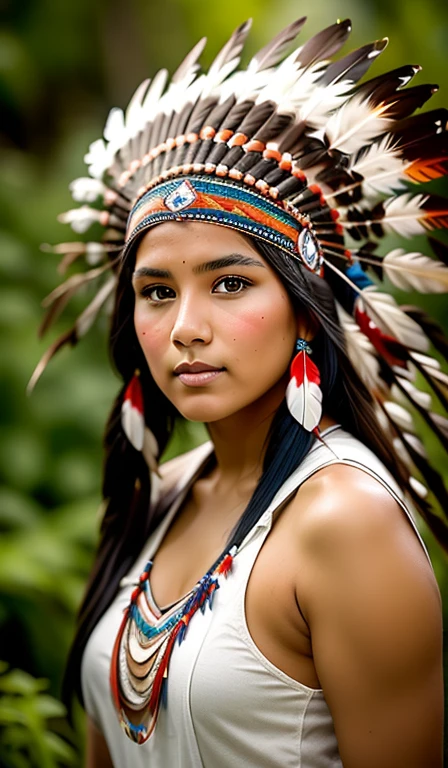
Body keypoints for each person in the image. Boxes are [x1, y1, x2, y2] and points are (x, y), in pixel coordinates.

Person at [32, 15, 448, 768]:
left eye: (230, 283)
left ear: (302, 306)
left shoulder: (345, 523)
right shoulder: (154, 494)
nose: (187, 326)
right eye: (156, 291)